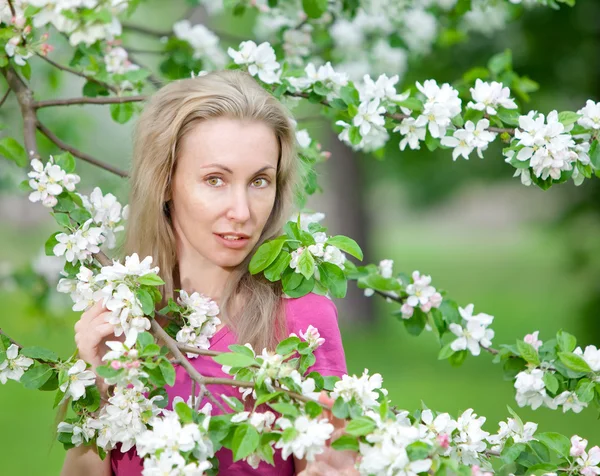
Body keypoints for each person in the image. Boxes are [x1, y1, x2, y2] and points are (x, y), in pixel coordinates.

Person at [62, 70, 357, 475]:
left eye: (259, 181)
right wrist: (95, 382)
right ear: (165, 182)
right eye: (215, 180)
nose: (242, 211)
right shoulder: (122, 320)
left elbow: (332, 463)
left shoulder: (301, 322)